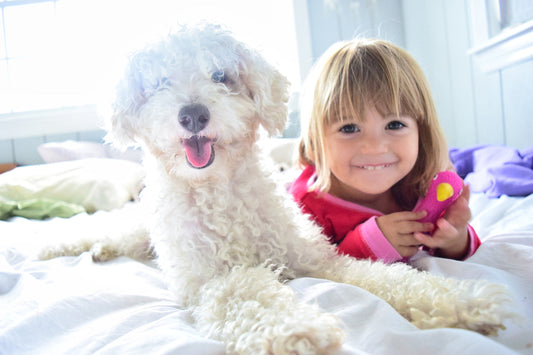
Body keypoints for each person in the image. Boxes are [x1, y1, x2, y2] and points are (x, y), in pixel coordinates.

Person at [289, 38, 480, 263]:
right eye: (349, 128)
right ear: (315, 139)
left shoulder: (426, 186)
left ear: (422, 131)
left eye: (395, 125)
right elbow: (307, 269)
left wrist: (455, 240)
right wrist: (369, 243)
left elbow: (462, 250)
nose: (375, 147)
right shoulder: (305, 207)